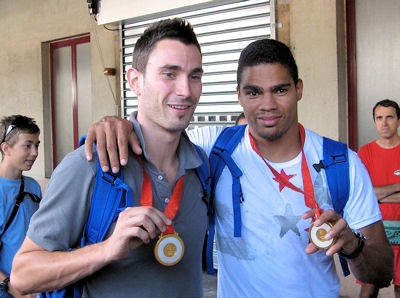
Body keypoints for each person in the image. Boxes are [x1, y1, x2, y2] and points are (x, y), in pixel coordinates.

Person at [83, 39, 393, 297]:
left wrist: (354, 247)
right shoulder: (215, 148)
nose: (267, 104)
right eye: (254, 92)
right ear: (239, 96)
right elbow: (156, 129)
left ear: (299, 89)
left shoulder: (342, 163)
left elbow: (383, 272)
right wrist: (118, 123)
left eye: (280, 90)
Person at [11, 18, 210, 298]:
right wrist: (106, 249)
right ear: (135, 81)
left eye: (195, 76)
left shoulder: (203, 165)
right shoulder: (89, 165)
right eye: (169, 74)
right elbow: (22, 275)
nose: (186, 91)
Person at [358, 99, 400, 298]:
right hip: (374, 232)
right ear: (374, 122)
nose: (384, 123)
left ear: (398, 120)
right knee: (368, 289)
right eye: (379, 118)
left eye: (389, 117)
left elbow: (373, 194)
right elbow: (364, 194)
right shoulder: (364, 153)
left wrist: (379, 196)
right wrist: (396, 187)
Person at [0, 115, 41, 298]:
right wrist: (10, 287)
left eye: (37, 145)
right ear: (6, 148)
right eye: (28, 145)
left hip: (35, 287)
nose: (34, 153)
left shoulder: (33, 186)